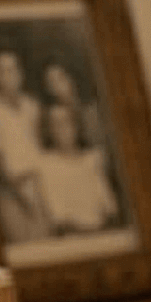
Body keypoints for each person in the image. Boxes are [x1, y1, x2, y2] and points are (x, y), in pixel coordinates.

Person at [0, 45, 46, 241]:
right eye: (2, 70)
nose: (9, 75)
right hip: (10, 191)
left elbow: (38, 147)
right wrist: (19, 193)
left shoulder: (32, 106)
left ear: (21, 73)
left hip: (39, 186)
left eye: (13, 69)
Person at [32, 99, 120, 234]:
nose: (63, 129)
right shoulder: (46, 165)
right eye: (56, 124)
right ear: (49, 130)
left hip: (104, 231)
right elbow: (58, 218)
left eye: (67, 121)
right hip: (74, 236)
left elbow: (109, 206)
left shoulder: (92, 158)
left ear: (76, 125)